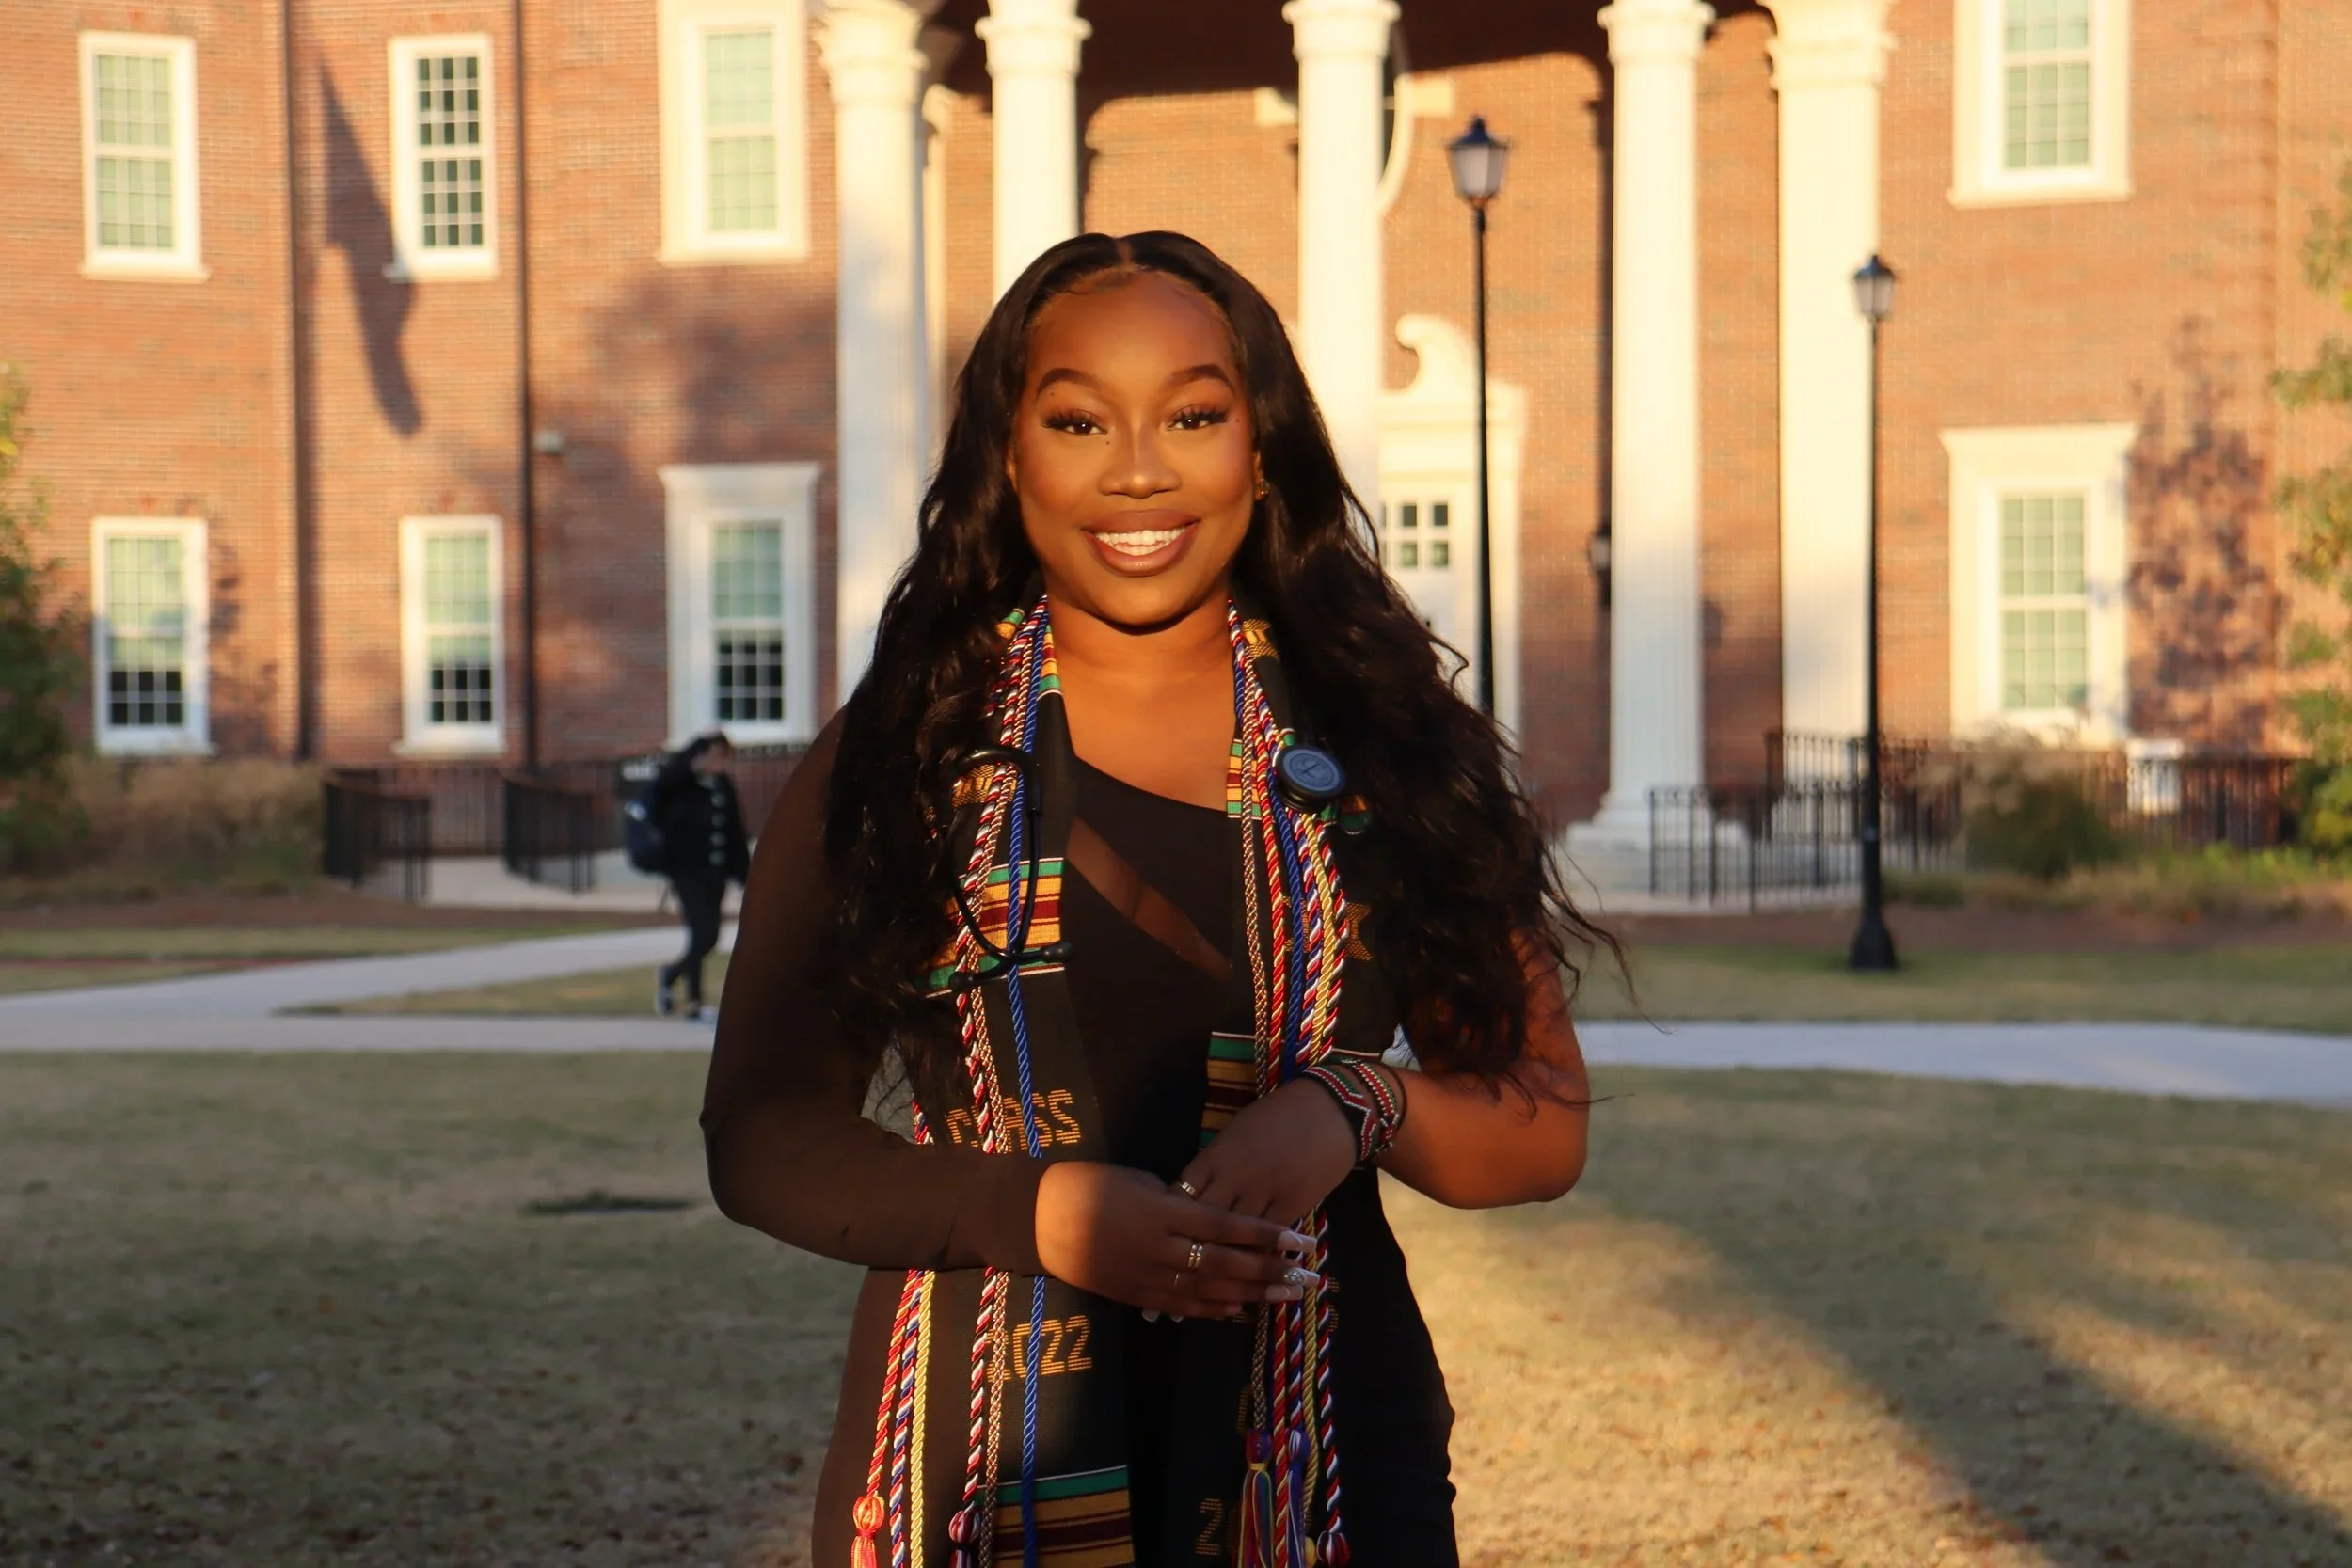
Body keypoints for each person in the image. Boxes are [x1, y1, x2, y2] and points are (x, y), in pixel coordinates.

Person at [702, 231, 1612, 1568]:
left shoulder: (1379, 741)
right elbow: (762, 1132)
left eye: (1192, 413)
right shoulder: (910, 747)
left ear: (1261, 446)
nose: (1138, 467)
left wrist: (1359, 1105)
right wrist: (1044, 1211)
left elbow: (1542, 1121)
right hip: (982, 1454)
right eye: (1080, 419)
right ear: (1010, 458)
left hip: (1327, 1466)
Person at [650, 731, 749, 1022]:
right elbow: (658, 795)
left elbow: (735, 833)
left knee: (706, 935)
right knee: (704, 933)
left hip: (715, 871)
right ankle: (681, 987)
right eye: (714, 755)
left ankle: (681, 987)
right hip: (687, 871)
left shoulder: (722, 786)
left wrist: (746, 875)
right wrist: (690, 763)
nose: (719, 763)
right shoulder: (681, 783)